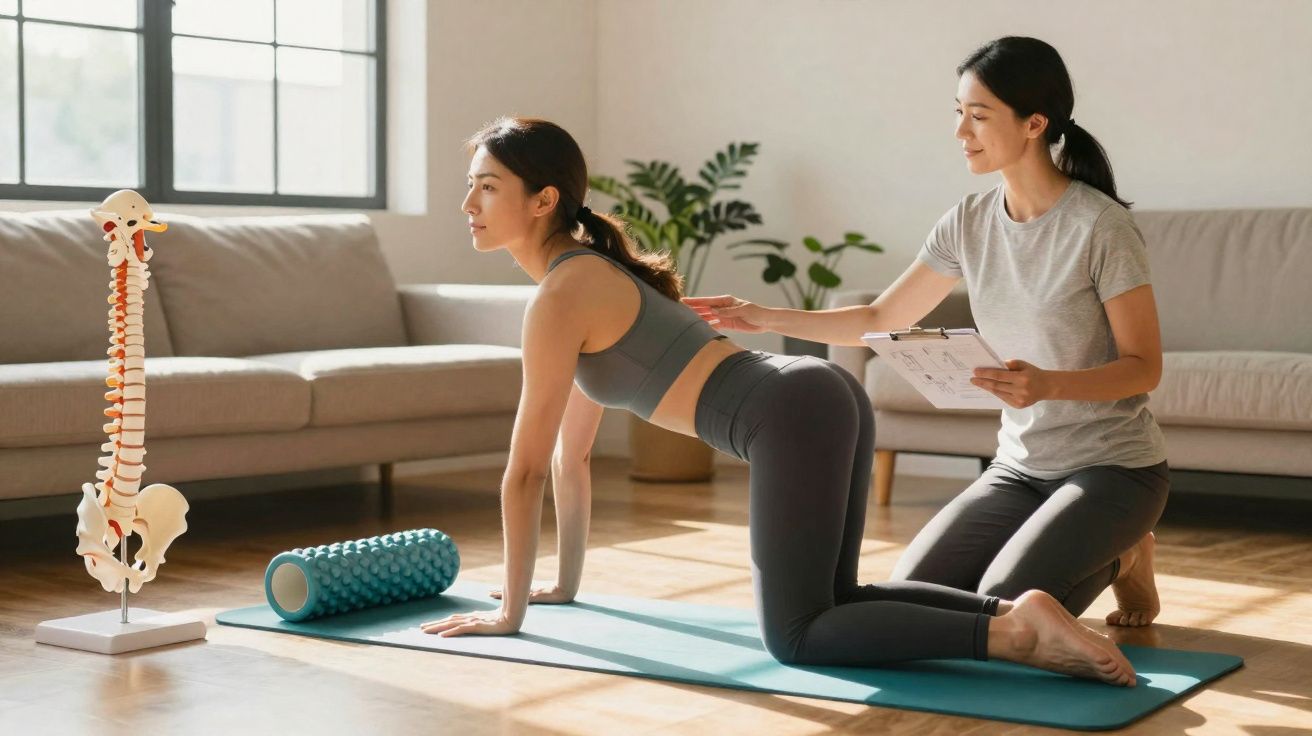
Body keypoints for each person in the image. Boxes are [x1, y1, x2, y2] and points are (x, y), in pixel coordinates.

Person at [418, 116, 1136, 687]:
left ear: (542, 200)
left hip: (791, 414)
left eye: (486, 186)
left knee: (797, 638)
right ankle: (1016, 614)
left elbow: (522, 471)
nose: (467, 204)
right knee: (834, 600)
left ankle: (1010, 635)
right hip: (817, 396)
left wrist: (508, 616)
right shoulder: (586, 276)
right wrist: (557, 590)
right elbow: (569, 460)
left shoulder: (561, 294)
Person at [683, 36, 1168, 630]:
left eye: (979, 115)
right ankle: (1106, 551)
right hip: (1018, 467)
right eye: (958, 112)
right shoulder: (967, 222)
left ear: (1034, 123)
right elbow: (879, 319)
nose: (961, 131)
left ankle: (1124, 554)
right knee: (911, 596)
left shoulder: (1101, 227)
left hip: (1114, 469)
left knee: (1008, 601)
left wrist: (1049, 384)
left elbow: (1144, 366)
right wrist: (762, 315)